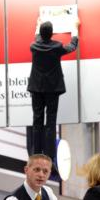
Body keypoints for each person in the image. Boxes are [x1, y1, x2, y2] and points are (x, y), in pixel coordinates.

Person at [27, 17, 79, 166]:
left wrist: (37, 25)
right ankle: (49, 154)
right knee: (51, 121)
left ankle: (36, 152)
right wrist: (75, 29)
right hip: (52, 89)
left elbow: (37, 37)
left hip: (36, 89)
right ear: (52, 34)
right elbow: (72, 46)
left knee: (37, 120)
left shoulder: (34, 46)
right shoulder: (57, 47)